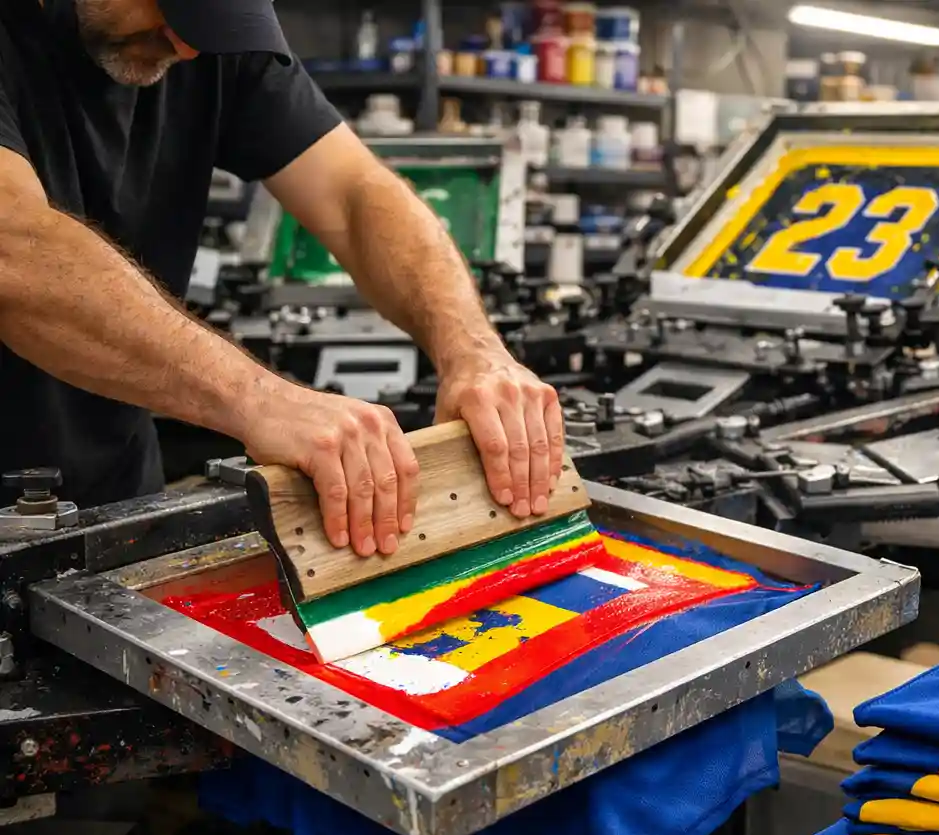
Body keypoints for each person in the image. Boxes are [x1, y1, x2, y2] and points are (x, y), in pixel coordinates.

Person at [0, 0, 564, 559]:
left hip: (108, 498)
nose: (192, 47)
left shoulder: (202, 38)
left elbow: (353, 192)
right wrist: (263, 401)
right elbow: (13, 245)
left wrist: (473, 351)